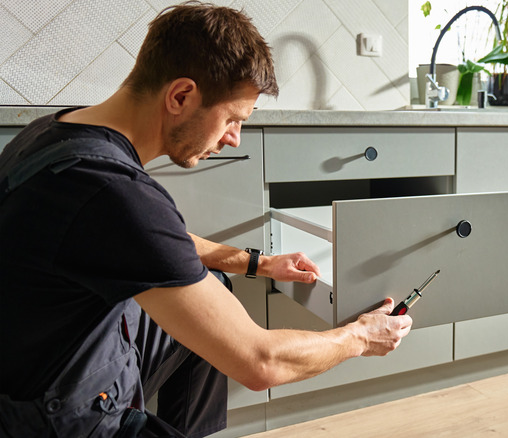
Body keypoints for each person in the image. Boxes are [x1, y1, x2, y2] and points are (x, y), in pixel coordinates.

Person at [0, 2, 413, 437]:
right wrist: (360, 337)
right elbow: (260, 361)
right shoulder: (115, 192)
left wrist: (255, 263)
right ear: (180, 96)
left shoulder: (54, 134)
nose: (233, 139)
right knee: (231, 337)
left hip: (49, 361)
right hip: (59, 417)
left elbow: (148, 241)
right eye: (233, 119)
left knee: (213, 291)